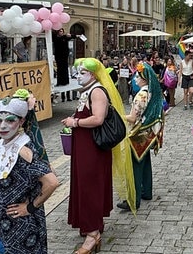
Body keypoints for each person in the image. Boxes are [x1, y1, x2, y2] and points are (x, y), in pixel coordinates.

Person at [61, 58, 135, 253]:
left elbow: (98, 118)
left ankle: (93, 233)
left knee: (89, 186)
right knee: (83, 184)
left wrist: (74, 122)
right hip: (84, 146)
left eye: (82, 72)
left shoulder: (97, 91)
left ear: (93, 74)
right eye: (77, 71)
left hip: (93, 148)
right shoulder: (88, 90)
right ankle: (91, 225)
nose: (78, 75)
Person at [0, 97, 58, 253]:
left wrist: (31, 207)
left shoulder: (23, 150)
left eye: (10, 121)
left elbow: (52, 182)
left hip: (22, 225)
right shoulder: (2, 142)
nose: (3, 126)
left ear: (21, 121)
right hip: (8, 223)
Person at [116, 62, 165, 211]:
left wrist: (117, 115)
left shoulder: (141, 95)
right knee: (145, 163)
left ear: (144, 79)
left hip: (138, 134)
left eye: (138, 76)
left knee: (135, 167)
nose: (135, 78)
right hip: (149, 133)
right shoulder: (153, 92)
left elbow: (132, 118)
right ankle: (146, 192)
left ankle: (133, 200)